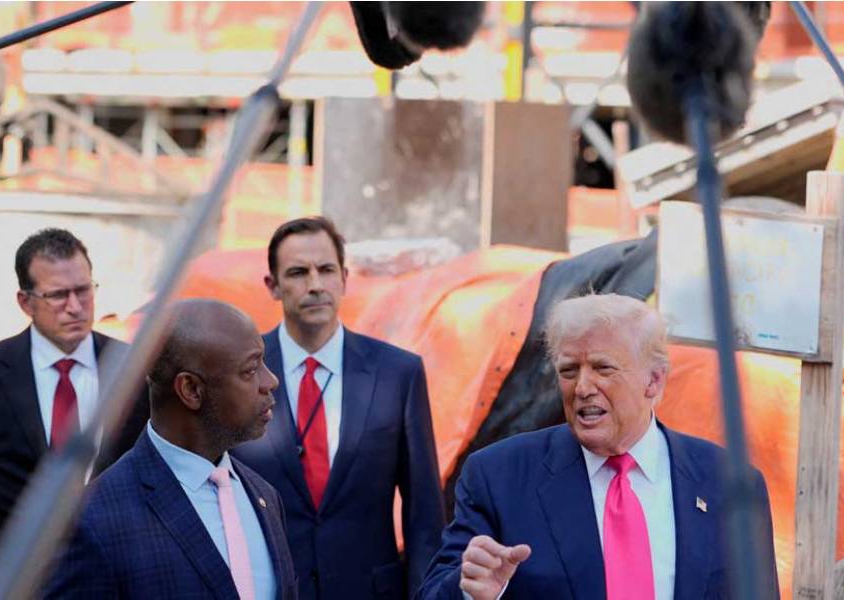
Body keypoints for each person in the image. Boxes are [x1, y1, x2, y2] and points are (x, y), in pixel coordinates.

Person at [418, 293, 780, 599]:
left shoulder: (729, 484)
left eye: (603, 368)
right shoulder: (498, 477)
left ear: (653, 381)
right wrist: (470, 592)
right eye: (569, 370)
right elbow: (435, 590)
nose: (583, 387)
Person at [233, 216, 445, 599]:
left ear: (345, 278)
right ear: (273, 285)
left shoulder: (398, 374)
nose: (315, 285)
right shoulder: (240, 373)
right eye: (298, 272)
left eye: (326, 270)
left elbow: (424, 515)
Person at [45, 299, 298, 599]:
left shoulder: (264, 496)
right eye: (250, 369)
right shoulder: (92, 520)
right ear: (191, 390)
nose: (270, 381)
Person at [0, 228, 149, 538]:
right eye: (57, 295)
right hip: (14, 569)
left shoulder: (135, 368)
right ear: (25, 303)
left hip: (113, 557)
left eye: (83, 290)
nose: (75, 307)